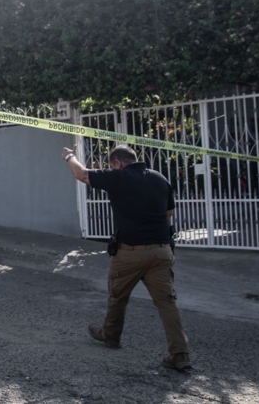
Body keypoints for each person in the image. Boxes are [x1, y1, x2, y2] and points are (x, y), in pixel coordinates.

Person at [62, 144, 192, 372]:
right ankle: (179, 354)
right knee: (167, 303)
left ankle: (111, 336)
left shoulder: (120, 177)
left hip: (130, 252)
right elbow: (168, 214)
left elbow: (81, 174)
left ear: (117, 163)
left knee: (118, 296)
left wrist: (70, 156)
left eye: (112, 165)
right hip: (161, 251)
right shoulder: (160, 179)